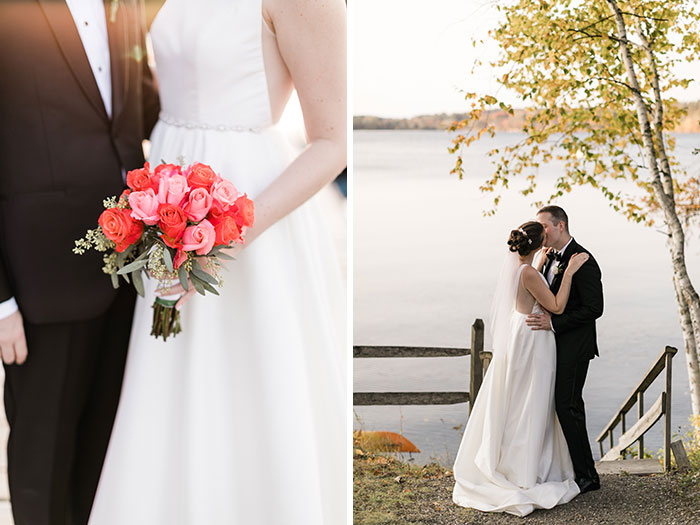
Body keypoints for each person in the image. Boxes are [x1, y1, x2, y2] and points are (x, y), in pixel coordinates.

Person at [87, 0, 347, 524]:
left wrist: (224, 234)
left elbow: (334, 141)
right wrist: (154, 216)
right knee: (167, 373)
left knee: (252, 384)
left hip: (251, 208)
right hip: (164, 198)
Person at [0, 1, 159, 524]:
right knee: (41, 471)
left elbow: (146, 111)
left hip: (130, 270)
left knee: (105, 462)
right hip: (39, 281)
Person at [452, 221, 588, 517]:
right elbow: (556, 305)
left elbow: (531, 278)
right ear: (540, 245)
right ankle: (526, 468)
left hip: (519, 333)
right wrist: (569, 273)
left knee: (518, 401)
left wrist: (540, 260)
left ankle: (516, 460)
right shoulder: (528, 273)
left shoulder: (517, 268)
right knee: (532, 402)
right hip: (533, 342)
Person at [527, 205, 603, 493]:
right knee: (559, 405)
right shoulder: (547, 257)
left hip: (574, 345)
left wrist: (555, 323)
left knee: (567, 406)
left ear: (560, 226)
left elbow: (595, 308)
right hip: (550, 346)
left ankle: (588, 476)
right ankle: (566, 467)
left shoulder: (583, 260)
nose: (540, 232)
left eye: (544, 226)